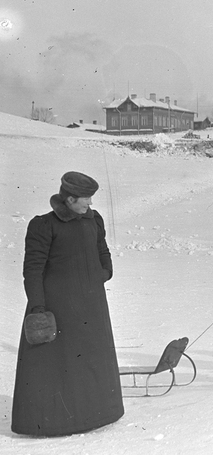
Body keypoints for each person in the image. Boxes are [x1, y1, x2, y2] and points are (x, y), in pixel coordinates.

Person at [12, 171, 124, 436]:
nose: (90, 204)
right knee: (58, 364)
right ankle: (55, 422)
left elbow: (102, 251)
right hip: (57, 306)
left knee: (91, 360)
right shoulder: (43, 225)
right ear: (70, 199)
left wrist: (103, 274)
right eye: (86, 199)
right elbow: (34, 269)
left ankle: (98, 414)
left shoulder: (93, 220)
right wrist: (38, 307)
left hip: (91, 304)